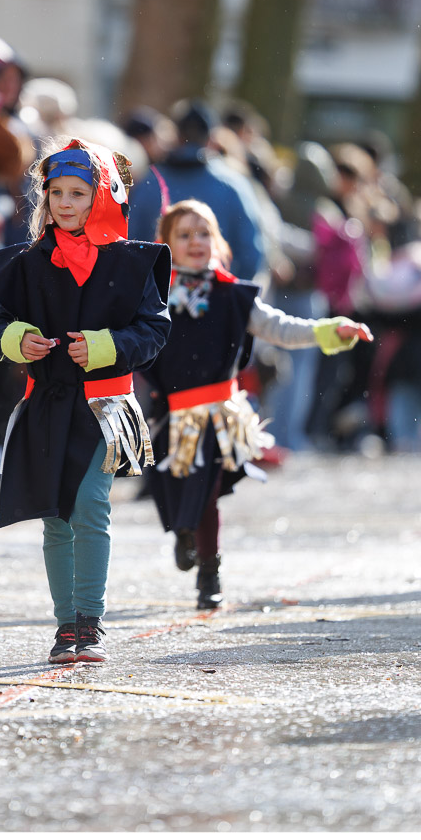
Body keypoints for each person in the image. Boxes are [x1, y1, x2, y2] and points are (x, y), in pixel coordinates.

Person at [0, 140, 171, 664]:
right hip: (46, 405)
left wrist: (105, 347)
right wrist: (17, 339)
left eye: (78, 193)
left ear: (102, 197)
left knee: (90, 504)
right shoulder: (27, 262)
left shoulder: (132, 262)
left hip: (105, 406)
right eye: (56, 193)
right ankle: (65, 626)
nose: (65, 203)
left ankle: (90, 623)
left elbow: (153, 331)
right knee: (54, 516)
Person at [142, 200, 370, 608]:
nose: (195, 242)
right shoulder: (152, 295)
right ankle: (182, 530)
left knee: (208, 491)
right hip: (171, 416)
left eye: (204, 233)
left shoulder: (234, 295)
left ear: (218, 241)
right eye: (184, 235)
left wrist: (329, 330)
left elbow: (279, 327)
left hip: (219, 415)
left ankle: (209, 573)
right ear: (166, 244)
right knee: (172, 488)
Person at [126, 100, 269, 280]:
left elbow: (129, 246)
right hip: (216, 293)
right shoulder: (234, 184)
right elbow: (251, 256)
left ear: (177, 136)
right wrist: (224, 289)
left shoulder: (150, 182)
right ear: (211, 138)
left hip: (157, 295)